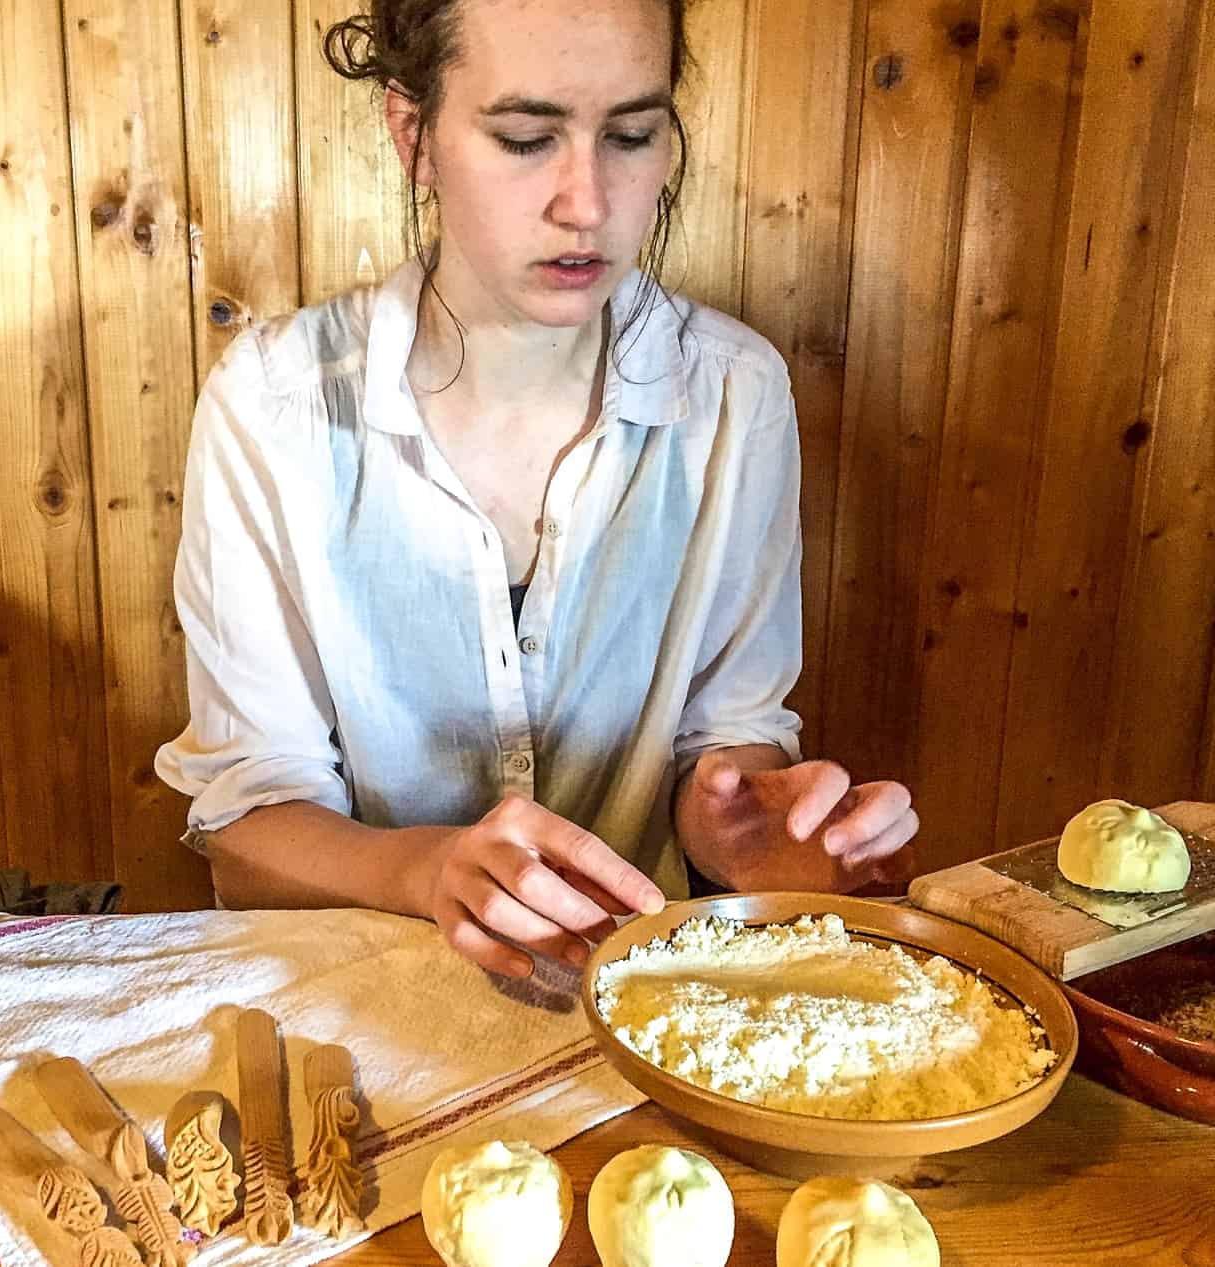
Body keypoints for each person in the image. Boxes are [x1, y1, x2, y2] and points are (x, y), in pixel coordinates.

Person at [155, 0, 918, 979]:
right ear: (412, 133)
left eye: (632, 136)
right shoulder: (273, 407)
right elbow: (245, 832)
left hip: (647, 1009)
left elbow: (726, 746)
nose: (587, 202)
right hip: (361, 1008)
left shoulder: (733, 395)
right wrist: (430, 865)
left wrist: (755, 827)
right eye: (525, 139)